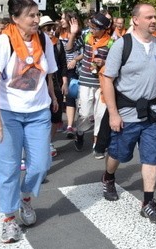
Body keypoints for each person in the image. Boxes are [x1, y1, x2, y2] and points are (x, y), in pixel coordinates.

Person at [0, 0, 59, 244]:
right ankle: (8, 219)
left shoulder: (44, 39)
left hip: (38, 113)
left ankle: (25, 198)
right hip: (8, 114)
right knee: (8, 169)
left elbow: (47, 72)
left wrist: (51, 93)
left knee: (40, 165)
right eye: (31, 15)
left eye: (37, 14)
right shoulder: (4, 41)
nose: (37, 19)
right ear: (16, 19)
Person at [99, 3, 156, 223]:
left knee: (151, 157)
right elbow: (107, 79)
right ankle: (109, 177)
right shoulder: (123, 45)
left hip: (152, 113)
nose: (154, 20)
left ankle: (148, 202)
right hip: (126, 112)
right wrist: (113, 113)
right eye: (149, 17)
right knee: (118, 154)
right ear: (136, 20)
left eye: (155, 16)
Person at [72, 12, 113, 151]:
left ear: (103, 30)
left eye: (94, 28)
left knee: (100, 114)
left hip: (102, 82)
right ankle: (80, 132)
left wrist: (104, 62)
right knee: (85, 112)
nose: (91, 30)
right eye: (90, 27)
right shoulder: (86, 36)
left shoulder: (112, 42)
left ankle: (97, 141)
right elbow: (71, 48)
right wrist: (73, 34)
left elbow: (115, 63)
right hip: (85, 79)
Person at [39, 15, 68, 157]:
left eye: (52, 28)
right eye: (47, 29)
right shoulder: (36, 44)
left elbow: (63, 65)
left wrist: (65, 82)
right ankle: (41, 143)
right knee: (42, 115)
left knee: (55, 115)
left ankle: (49, 141)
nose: (51, 31)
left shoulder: (57, 43)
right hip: (39, 84)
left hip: (55, 83)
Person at [60, 10, 83, 137]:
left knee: (76, 96)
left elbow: (85, 52)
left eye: (63, 18)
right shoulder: (60, 33)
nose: (61, 21)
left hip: (76, 68)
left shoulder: (81, 34)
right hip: (64, 67)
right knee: (68, 96)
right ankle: (69, 125)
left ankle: (81, 126)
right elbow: (64, 50)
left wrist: (75, 59)